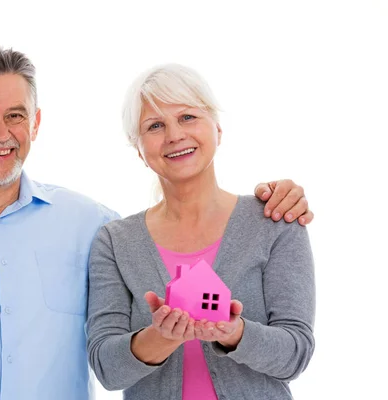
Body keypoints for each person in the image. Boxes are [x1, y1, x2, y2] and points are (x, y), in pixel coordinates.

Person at [0, 44, 313, 400]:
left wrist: (275, 202)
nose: (0, 133)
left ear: (35, 123)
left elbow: (293, 349)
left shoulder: (90, 224)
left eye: (14, 115)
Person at [87, 64, 315, 400]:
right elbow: (107, 368)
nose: (175, 135)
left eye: (188, 117)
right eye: (155, 126)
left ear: (217, 129)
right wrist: (161, 337)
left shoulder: (275, 219)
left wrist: (234, 332)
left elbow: (295, 354)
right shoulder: (114, 241)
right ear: (139, 150)